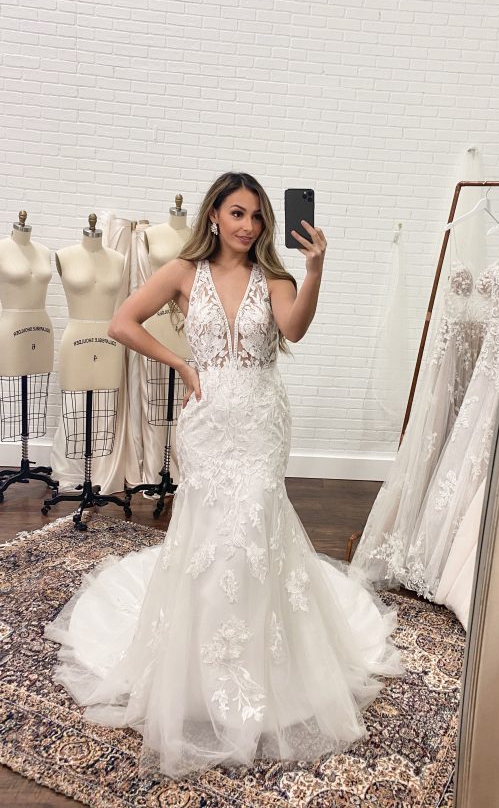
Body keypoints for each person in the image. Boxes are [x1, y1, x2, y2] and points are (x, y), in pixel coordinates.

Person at [44, 171, 402, 779]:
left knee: (257, 521)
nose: (249, 226)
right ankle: (197, 671)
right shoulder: (184, 275)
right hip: (208, 424)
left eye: (258, 217)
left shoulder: (278, 278)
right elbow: (122, 323)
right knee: (209, 531)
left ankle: (265, 666)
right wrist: (183, 366)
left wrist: (315, 268)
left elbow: (293, 329)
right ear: (214, 215)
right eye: (238, 213)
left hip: (262, 420)